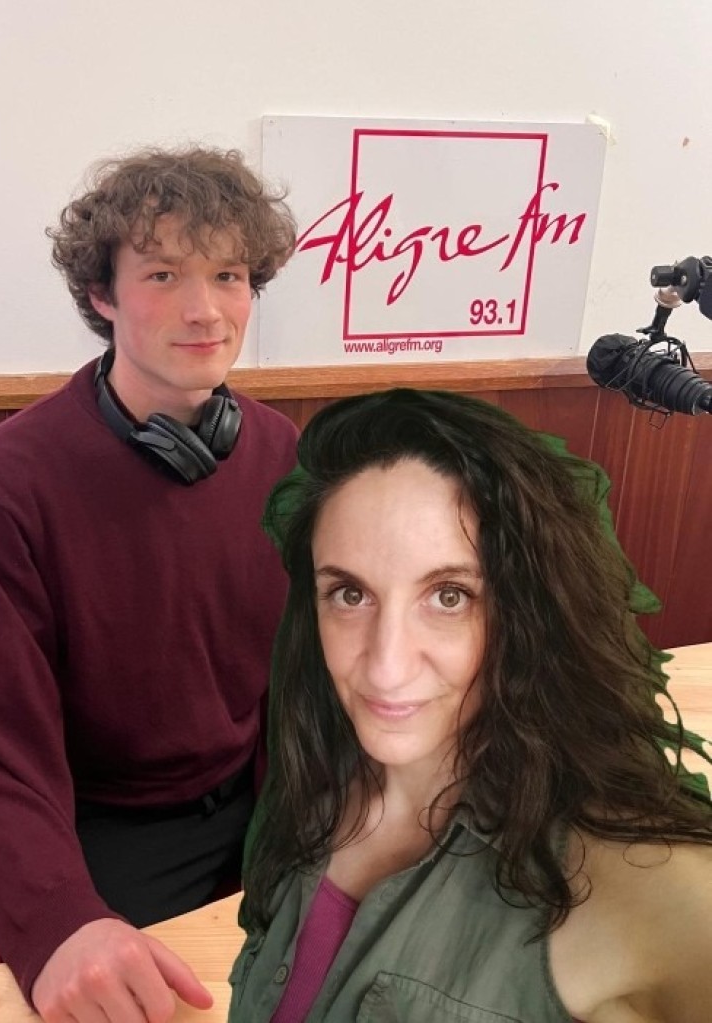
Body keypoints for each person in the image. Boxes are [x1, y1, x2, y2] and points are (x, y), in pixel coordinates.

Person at [0, 146, 299, 1023]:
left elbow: (314, 670)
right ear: (102, 293)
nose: (205, 309)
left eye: (228, 275)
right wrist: (60, 922)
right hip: (103, 827)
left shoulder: (285, 453)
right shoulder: (9, 479)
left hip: (269, 795)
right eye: (163, 274)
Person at [229, 388, 712, 1023]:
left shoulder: (628, 874)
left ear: (528, 614)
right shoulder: (316, 784)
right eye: (349, 593)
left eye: (450, 596)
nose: (385, 666)